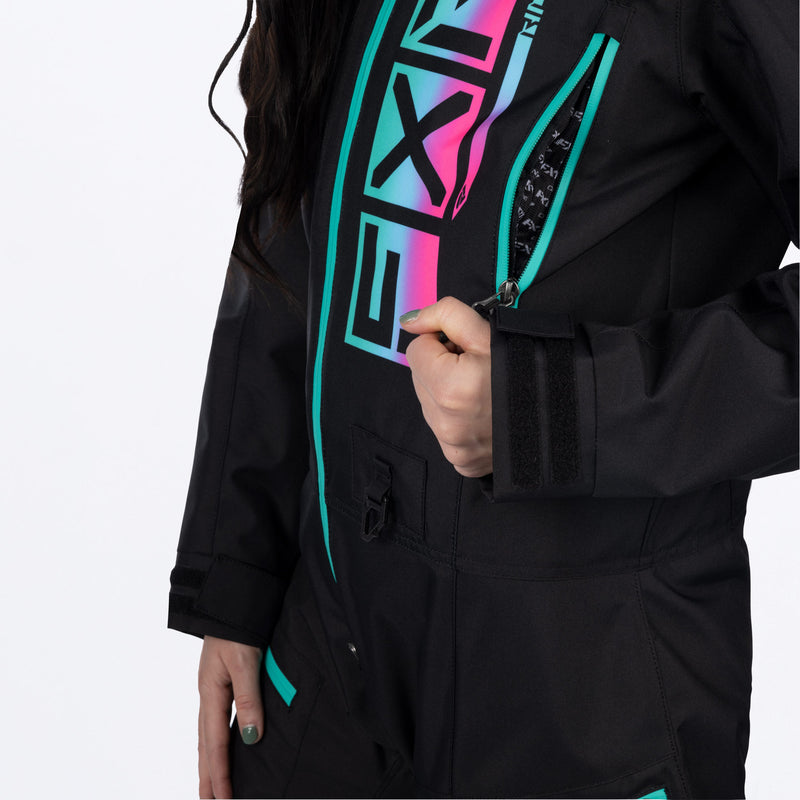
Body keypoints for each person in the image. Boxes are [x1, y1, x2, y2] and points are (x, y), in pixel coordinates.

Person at [168, 0, 798, 797]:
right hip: (325, 658)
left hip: (585, 701)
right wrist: (238, 573)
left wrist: (552, 409)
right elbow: (291, 198)